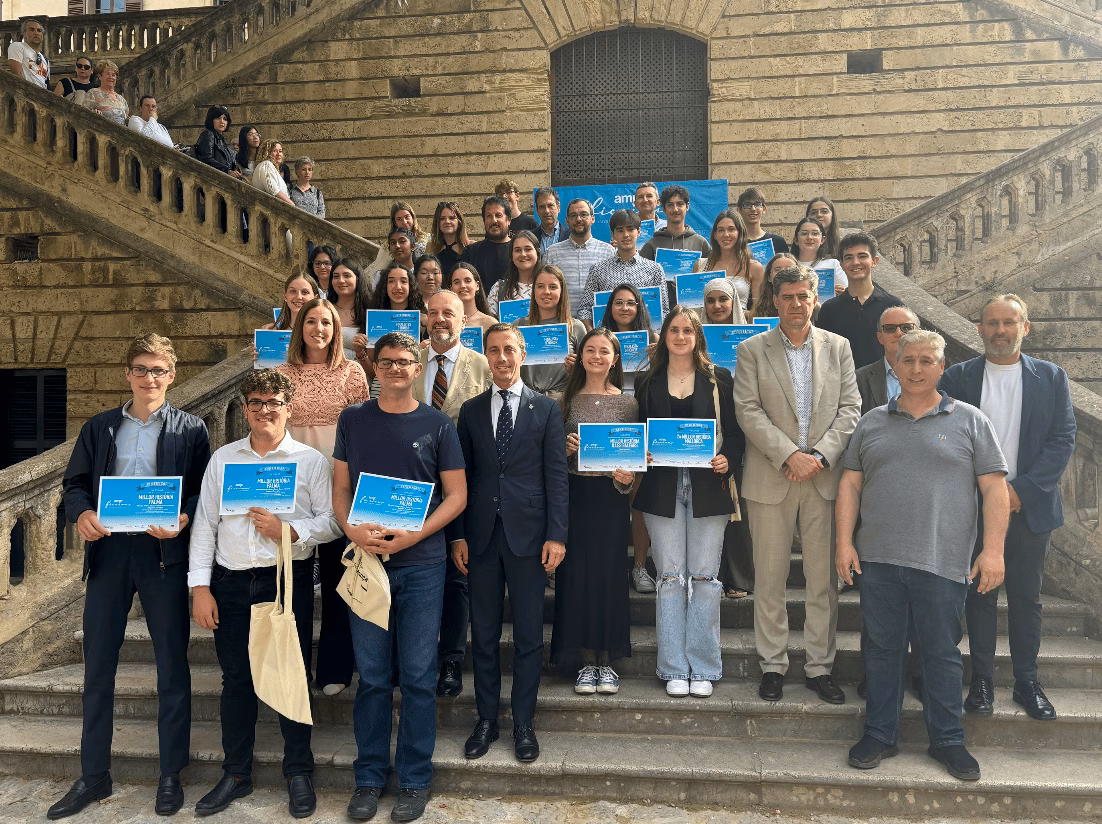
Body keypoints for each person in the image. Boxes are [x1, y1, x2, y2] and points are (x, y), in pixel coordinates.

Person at [837, 330, 1009, 781]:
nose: (916, 368)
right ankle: (879, 733)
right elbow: (850, 484)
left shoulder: (971, 421)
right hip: (879, 559)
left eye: (926, 360)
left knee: (941, 653)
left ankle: (949, 740)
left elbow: (994, 490)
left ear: (941, 365)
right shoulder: (872, 421)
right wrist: (843, 542)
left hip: (943, 560)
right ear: (893, 363)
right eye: (907, 359)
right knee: (881, 650)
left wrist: (993, 551)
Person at [52, 334, 209, 820]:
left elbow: (203, 492)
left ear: (172, 376)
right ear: (128, 375)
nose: (149, 379)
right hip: (108, 554)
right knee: (98, 666)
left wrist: (183, 517)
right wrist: (80, 515)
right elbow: (74, 485)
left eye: (158, 370)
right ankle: (94, 775)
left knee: (171, 666)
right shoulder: (100, 427)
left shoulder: (192, 429)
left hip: (162, 556)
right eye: (141, 369)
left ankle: (170, 774)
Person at [189, 369, 342, 818]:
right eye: (255, 403)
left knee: (289, 674)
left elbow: (333, 522)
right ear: (246, 409)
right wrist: (200, 587)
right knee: (236, 679)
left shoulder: (310, 461)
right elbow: (204, 525)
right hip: (231, 580)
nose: (264, 410)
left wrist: (288, 530)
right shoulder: (223, 460)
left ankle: (298, 772)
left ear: (288, 407)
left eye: (273, 402)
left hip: (284, 578)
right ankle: (236, 774)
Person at [332, 331, 467, 823]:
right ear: (375, 367)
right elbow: (341, 488)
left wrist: (416, 537)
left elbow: (456, 497)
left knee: (416, 675)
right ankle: (369, 778)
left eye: (404, 362)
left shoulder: (438, 424)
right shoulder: (353, 419)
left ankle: (414, 779)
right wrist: (352, 530)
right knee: (370, 677)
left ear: (418, 367)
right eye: (386, 362)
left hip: (422, 565)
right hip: (368, 565)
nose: (394, 369)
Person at [940, 294, 1077, 721]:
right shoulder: (958, 377)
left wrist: (1020, 492)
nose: (1000, 331)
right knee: (978, 597)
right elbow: (947, 439)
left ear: (1025, 327)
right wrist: (989, 497)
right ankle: (981, 681)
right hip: (974, 510)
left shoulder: (1051, 377)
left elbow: (1062, 439)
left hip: (1030, 509)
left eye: (1009, 323)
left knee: (1025, 598)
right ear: (978, 329)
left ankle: (1026, 681)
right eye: (992, 323)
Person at [733, 265, 860, 704]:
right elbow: (747, 410)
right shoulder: (752, 349)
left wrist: (819, 456)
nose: (796, 305)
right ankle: (773, 665)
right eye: (787, 297)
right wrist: (790, 455)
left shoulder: (839, 348)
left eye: (803, 296)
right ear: (775, 298)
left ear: (815, 297)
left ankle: (819, 667)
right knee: (769, 580)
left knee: (822, 582)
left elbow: (851, 409)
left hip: (824, 479)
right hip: (773, 476)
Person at [452, 323, 569, 763]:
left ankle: (523, 722)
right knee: (481, 634)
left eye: (508, 350)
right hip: (480, 538)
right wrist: (458, 534)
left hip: (530, 537)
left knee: (527, 636)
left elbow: (556, 476)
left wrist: (557, 534)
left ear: (523, 354)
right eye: (493, 351)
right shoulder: (471, 410)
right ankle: (486, 720)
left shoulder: (547, 409)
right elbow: (459, 480)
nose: (501, 358)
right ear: (486, 355)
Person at [632, 307, 743, 698]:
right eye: (673, 330)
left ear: (698, 336)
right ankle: (674, 667)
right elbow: (638, 434)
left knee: (704, 578)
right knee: (669, 578)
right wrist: (641, 453)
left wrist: (728, 457)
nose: (680, 336)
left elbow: (734, 433)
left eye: (687, 330)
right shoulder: (646, 381)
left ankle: (705, 667)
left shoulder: (719, 379)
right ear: (663, 336)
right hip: (662, 488)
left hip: (708, 487)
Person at [276, 299, 370, 697]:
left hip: (339, 484)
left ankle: (334, 666)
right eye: (311, 321)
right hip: (293, 487)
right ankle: (289, 665)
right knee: (292, 581)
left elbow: (364, 436)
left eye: (326, 322)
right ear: (300, 328)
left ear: (336, 329)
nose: (318, 328)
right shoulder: (279, 374)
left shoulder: (352, 373)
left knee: (336, 578)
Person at [411, 291, 493, 699]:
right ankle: (416, 658)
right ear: (425, 318)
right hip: (414, 488)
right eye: (434, 312)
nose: (440, 319)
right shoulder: (408, 363)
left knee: (458, 576)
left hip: (467, 488)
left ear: (464, 321)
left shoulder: (483, 365)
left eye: (449, 313)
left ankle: (451, 660)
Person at [554, 327, 638, 694]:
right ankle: (586, 661)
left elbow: (636, 459)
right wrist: (565, 448)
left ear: (615, 359)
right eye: (590, 350)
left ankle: (607, 661)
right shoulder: (564, 401)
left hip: (611, 500)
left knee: (610, 576)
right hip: (575, 497)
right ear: (580, 356)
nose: (597, 357)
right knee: (577, 576)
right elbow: (549, 455)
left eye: (604, 351)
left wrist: (628, 475)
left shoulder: (630, 403)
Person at [595, 284, 656, 590]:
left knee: (637, 498)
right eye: (618, 303)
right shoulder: (597, 341)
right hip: (605, 418)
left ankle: (640, 566)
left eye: (630, 303)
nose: (624, 308)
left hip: (639, 418)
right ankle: (609, 564)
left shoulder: (654, 341)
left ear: (639, 307)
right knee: (607, 498)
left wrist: (659, 357)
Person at [816, 233, 903, 370]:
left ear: (874, 261)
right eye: (849, 258)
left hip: (883, 387)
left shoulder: (893, 306)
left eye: (862, 256)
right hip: (843, 386)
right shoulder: (829, 310)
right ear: (842, 265)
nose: (855, 262)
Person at [577, 209, 668, 326]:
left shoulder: (655, 269)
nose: (626, 235)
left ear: (639, 232)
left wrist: (655, 340)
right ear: (613, 234)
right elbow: (585, 310)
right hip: (607, 342)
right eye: (620, 230)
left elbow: (664, 311)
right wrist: (594, 335)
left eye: (630, 229)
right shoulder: (598, 270)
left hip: (646, 341)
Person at [516, 264, 586, 398]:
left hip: (563, 402)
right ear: (534, 290)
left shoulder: (576, 327)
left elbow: (588, 373)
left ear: (562, 291)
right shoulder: (518, 326)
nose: (546, 292)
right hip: (525, 400)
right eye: (540, 286)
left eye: (553, 287)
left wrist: (576, 369)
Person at [543, 199, 615, 312]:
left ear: (592, 218)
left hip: (599, 322)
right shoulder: (552, 253)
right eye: (573, 215)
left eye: (583, 214)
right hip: (565, 322)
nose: (578, 219)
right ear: (567, 221)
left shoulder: (608, 252)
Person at [695, 210, 764, 314]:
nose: (726, 234)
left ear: (740, 232)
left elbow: (758, 312)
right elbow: (693, 307)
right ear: (715, 235)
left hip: (738, 328)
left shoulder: (754, 267)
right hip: (706, 328)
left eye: (731, 229)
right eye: (721, 230)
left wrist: (733, 313)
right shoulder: (700, 266)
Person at [854, 306, 919, 414]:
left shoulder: (936, 376)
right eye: (890, 328)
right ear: (880, 337)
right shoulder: (859, 379)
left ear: (918, 333)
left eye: (906, 328)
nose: (899, 333)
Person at [639, 185, 712, 262]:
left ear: (687, 207)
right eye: (670, 205)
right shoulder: (651, 245)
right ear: (663, 209)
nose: (675, 209)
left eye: (680, 204)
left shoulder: (700, 243)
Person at [459, 196, 514, 292]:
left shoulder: (519, 251)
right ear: (484, 220)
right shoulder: (471, 252)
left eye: (498, 215)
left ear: (509, 220)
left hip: (512, 306)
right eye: (489, 216)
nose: (493, 220)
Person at [329, 257, 372, 369]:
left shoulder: (371, 312)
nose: (341, 280)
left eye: (347, 275)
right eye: (336, 276)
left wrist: (360, 352)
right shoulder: (324, 310)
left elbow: (375, 371)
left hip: (360, 380)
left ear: (358, 279)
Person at [486, 230, 540, 318]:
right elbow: (490, 325)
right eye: (517, 250)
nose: (523, 254)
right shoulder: (499, 289)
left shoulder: (549, 288)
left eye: (528, 249)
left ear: (537, 253)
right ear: (511, 256)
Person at [792, 217, 846, 296]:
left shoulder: (833, 264)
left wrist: (844, 293)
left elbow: (849, 293)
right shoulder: (789, 265)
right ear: (796, 240)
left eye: (815, 233)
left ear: (822, 240)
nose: (809, 237)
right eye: (804, 233)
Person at [737, 188, 788, 257]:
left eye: (757, 204)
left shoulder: (778, 242)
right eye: (747, 205)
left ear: (764, 209)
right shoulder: (735, 243)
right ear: (739, 210)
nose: (753, 209)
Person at [196, 106, 242, 179]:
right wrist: (227, 171)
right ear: (211, 120)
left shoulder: (223, 141)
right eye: (218, 118)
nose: (222, 121)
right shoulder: (208, 134)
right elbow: (206, 158)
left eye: (225, 119)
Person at [449, 262, 496, 332]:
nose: (462, 285)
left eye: (467, 281)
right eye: (456, 282)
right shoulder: (445, 321)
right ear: (451, 289)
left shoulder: (490, 323)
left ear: (477, 286)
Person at [426, 200, 470, 276]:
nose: (447, 221)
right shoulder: (431, 247)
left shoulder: (471, 246)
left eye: (451, 218)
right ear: (437, 223)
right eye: (442, 218)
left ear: (459, 222)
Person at [751, 252, 799, 320]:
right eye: (777, 270)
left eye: (789, 269)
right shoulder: (760, 309)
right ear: (769, 277)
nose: (783, 273)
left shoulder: (810, 303)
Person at [81, 60, 128, 126]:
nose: (111, 77)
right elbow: (83, 115)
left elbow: (126, 120)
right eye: (108, 74)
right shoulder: (93, 93)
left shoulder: (121, 99)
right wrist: (93, 113)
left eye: (113, 75)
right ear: (100, 76)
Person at [7, 18, 49, 90]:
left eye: (39, 30)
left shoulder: (45, 60)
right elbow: (16, 77)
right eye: (32, 30)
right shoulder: (18, 46)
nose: (36, 33)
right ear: (25, 33)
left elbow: (46, 83)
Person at [252, 139, 295, 205]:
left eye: (280, 151)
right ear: (267, 152)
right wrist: (292, 205)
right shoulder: (266, 165)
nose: (278, 154)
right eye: (274, 151)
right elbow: (273, 190)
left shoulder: (271, 167)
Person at [533, 187, 569, 252]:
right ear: (537, 210)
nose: (546, 211)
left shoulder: (570, 236)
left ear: (558, 207)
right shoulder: (531, 237)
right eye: (542, 207)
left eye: (550, 206)